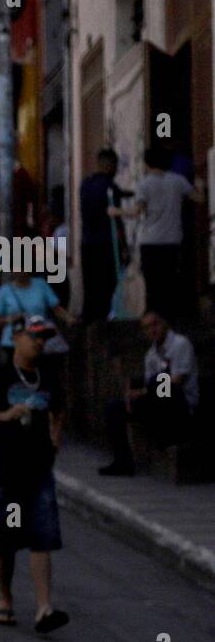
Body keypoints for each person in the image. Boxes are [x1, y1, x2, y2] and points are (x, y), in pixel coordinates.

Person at [0, 315, 70, 633]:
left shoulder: (48, 376)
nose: (39, 343)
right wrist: (4, 415)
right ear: (16, 338)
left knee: (42, 535)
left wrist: (55, 436)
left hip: (40, 471)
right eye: (34, 336)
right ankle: (5, 596)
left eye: (44, 338)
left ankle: (43, 608)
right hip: (7, 473)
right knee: (9, 538)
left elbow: (59, 408)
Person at [110, 146, 206, 324]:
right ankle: (169, 318)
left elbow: (136, 212)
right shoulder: (179, 181)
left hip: (150, 241)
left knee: (152, 284)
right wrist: (201, 184)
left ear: (147, 163)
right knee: (169, 281)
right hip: (172, 241)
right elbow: (199, 199)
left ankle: (152, 319)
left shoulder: (145, 184)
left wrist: (116, 211)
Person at [99, 311, 199, 476]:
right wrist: (132, 397)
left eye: (155, 325)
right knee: (115, 408)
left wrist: (145, 391)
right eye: (147, 328)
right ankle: (123, 462)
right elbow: (149, 387)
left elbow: (177, 380)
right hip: (158, 401)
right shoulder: (151, 355)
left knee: (159, 382)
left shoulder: (180, 344)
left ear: (163, 324)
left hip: (181, 403)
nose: (152, 330)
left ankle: (168, 438)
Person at [78, 148, 130, 324]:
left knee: (90, 288)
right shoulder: (110, 187)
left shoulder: (85, 184)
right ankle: (101, 324)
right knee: (107, 287)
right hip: (106, 244)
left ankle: (89, 325)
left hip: (87, 243)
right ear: (110, 166)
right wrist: (124, 248)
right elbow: (116, 221)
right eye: (115, 166)